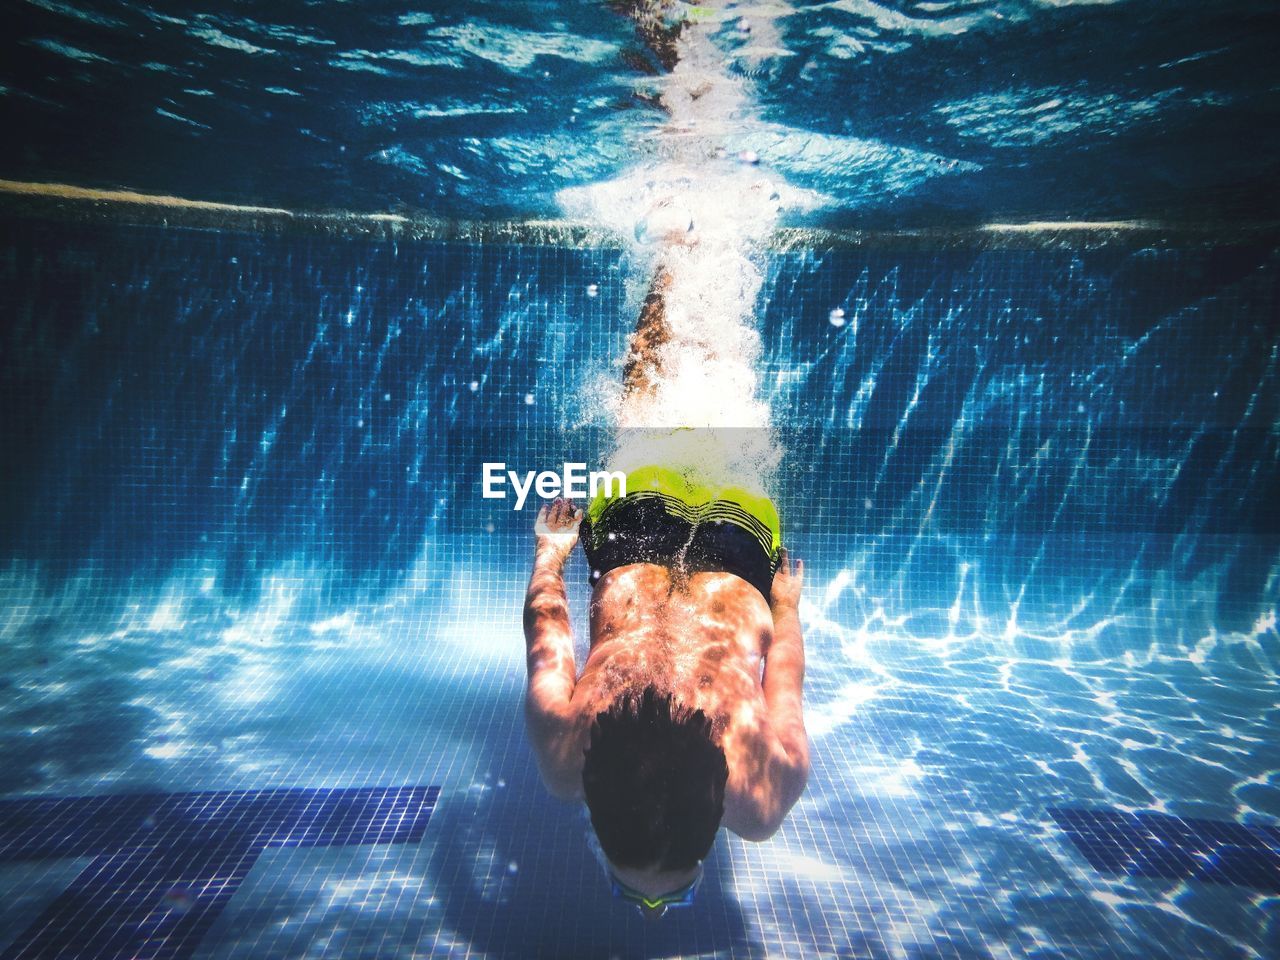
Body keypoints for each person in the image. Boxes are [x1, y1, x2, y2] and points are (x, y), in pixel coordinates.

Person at [521, 266, 809, 918]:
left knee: (724, 399)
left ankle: (717, 270)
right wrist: (551, 552)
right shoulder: (566, 757)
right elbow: (546, 630)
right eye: (670, 895)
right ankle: (674, 259)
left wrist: (786, 608)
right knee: (645, 397)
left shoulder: (762, 797)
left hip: (738, 540)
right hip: (632, 532)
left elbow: (783, 677)